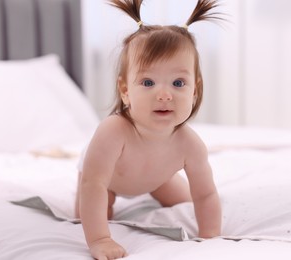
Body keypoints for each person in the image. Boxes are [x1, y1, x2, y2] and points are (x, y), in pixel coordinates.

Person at [75, 0, 223, 259]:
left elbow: (206, 194)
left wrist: (210, 236)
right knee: (89, 212)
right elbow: (93, 184)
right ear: (125, 91)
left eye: (178, 82)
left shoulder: (190, 144)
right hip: (105, 179)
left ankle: (156, 188)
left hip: (157, 177)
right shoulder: (113, 131)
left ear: (195, 90)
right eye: (148, 82)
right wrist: (100, 239)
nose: (164, 95)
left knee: (185, 200)